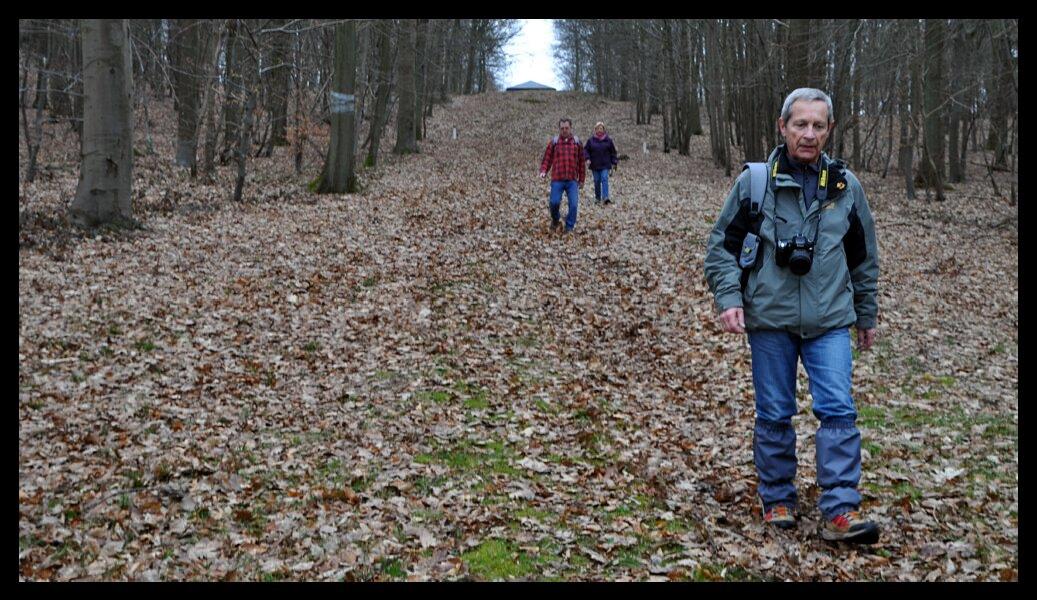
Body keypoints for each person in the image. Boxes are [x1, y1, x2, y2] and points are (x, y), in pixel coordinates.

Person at [703, 88, 881, 544]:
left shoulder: (846, 187)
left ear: (830, 131)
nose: (809, 134)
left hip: (830, 321)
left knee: (839, 410)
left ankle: (840, 509)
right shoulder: (754, 183)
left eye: (818, 126)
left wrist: (867, 314)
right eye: (800, 124)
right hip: (771, 320)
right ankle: (778, 497)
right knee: (775, 412)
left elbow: (863, 258)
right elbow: (721, 248)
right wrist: (729, 299)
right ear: (782, 127)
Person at [539, 118, 585, 233]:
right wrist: (544, 170)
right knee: (554, 203)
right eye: (562, 128)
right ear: (559, 129)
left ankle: (569, 227)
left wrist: (582, 179)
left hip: (572, 180)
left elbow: (581, 162)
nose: (564, 130)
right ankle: (555, 220)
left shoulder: (577, 143)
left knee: (573, 205)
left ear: (570, 128)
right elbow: (547, 158)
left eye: (566, 128)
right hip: (557, 179)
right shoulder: (554, 142)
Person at [584, 121, 618, 205]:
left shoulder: (608, 140)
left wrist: (614, 162)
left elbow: (613, 152)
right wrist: (587, 158)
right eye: (598, 128)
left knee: (604, 178)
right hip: (594, 165)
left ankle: (606, 197)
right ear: (595, 130)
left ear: (604, 130)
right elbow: (585, 150)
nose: (599, 130)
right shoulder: (591, 141)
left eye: (601, 128)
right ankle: (597, 198)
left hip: (605, 165)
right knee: (596, 181)